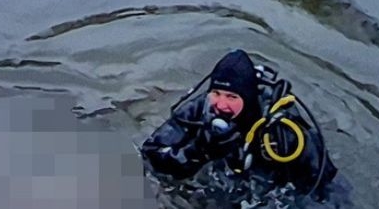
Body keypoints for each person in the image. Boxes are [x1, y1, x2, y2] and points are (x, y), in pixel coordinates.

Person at [140, 51, 336, 197]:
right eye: (216, 93)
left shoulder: (282, 131)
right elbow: (150, 155)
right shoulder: (200, 109)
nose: (221, 105)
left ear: (248, 96)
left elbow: (324, 183)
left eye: (232, 97)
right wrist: (198, 151)